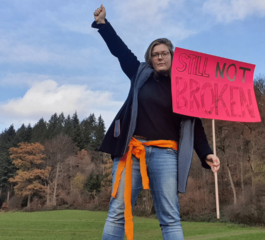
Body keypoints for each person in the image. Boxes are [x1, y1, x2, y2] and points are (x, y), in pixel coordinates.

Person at [93, 4, 220, 240]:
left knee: (170, 218)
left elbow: (197, 127)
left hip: (166, 155)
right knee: (117, 212)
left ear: (173, 57)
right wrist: (103, 24)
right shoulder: (139, 73)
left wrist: (206, 154)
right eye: (154, 53)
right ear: (149, 59)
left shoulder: (187, 88)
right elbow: (120, 51)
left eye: (164, 53)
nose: (159, 56)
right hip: (131, 151)